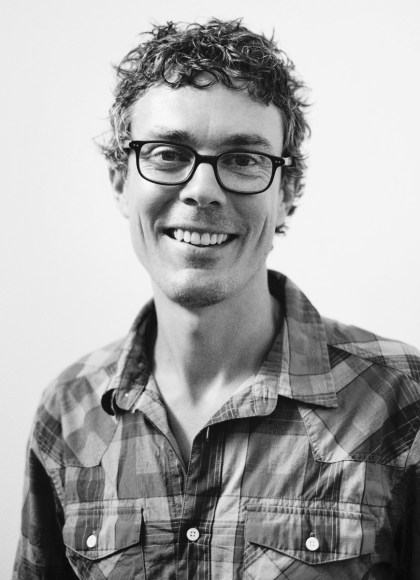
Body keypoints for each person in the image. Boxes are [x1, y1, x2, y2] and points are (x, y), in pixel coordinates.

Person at [13, 18, 420, 580]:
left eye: (244, 159)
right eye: (166, 153)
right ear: (120, 181)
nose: (202, 190)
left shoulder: (402, 401)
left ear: (287, 193)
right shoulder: (70, 411)